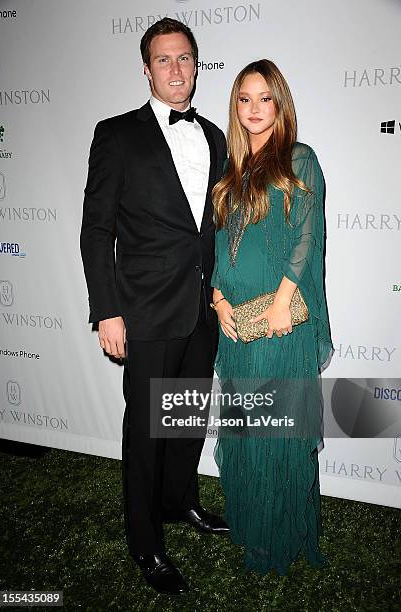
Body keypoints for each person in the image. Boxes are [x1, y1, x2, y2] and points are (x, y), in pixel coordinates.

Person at [80, 18, 228, 595]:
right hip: (142, 311)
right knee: (145, 431)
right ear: (146, 69)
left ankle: (179, 502)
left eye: (185, 58)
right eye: (163, 60)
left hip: (202, 309)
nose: (176, 69)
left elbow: (213, 229)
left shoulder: (216, 136)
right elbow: (97, 230)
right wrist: (106, 309)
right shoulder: (116, 134)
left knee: (185, 420)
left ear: (197, 64)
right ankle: (146, 543)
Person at [210, 59, 333, 575]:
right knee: (246, 433)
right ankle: (254, 527)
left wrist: (283, 299)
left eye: (265, 98)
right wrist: (217, 300)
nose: (254, 109)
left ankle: (279, 538)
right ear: (235, 107)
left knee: (278, 437)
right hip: (236, 326)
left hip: (278, 327)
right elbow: (216, 247)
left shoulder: (298, 160)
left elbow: (308, 234)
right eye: (244, 98)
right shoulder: (231, 171)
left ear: (280, 105)